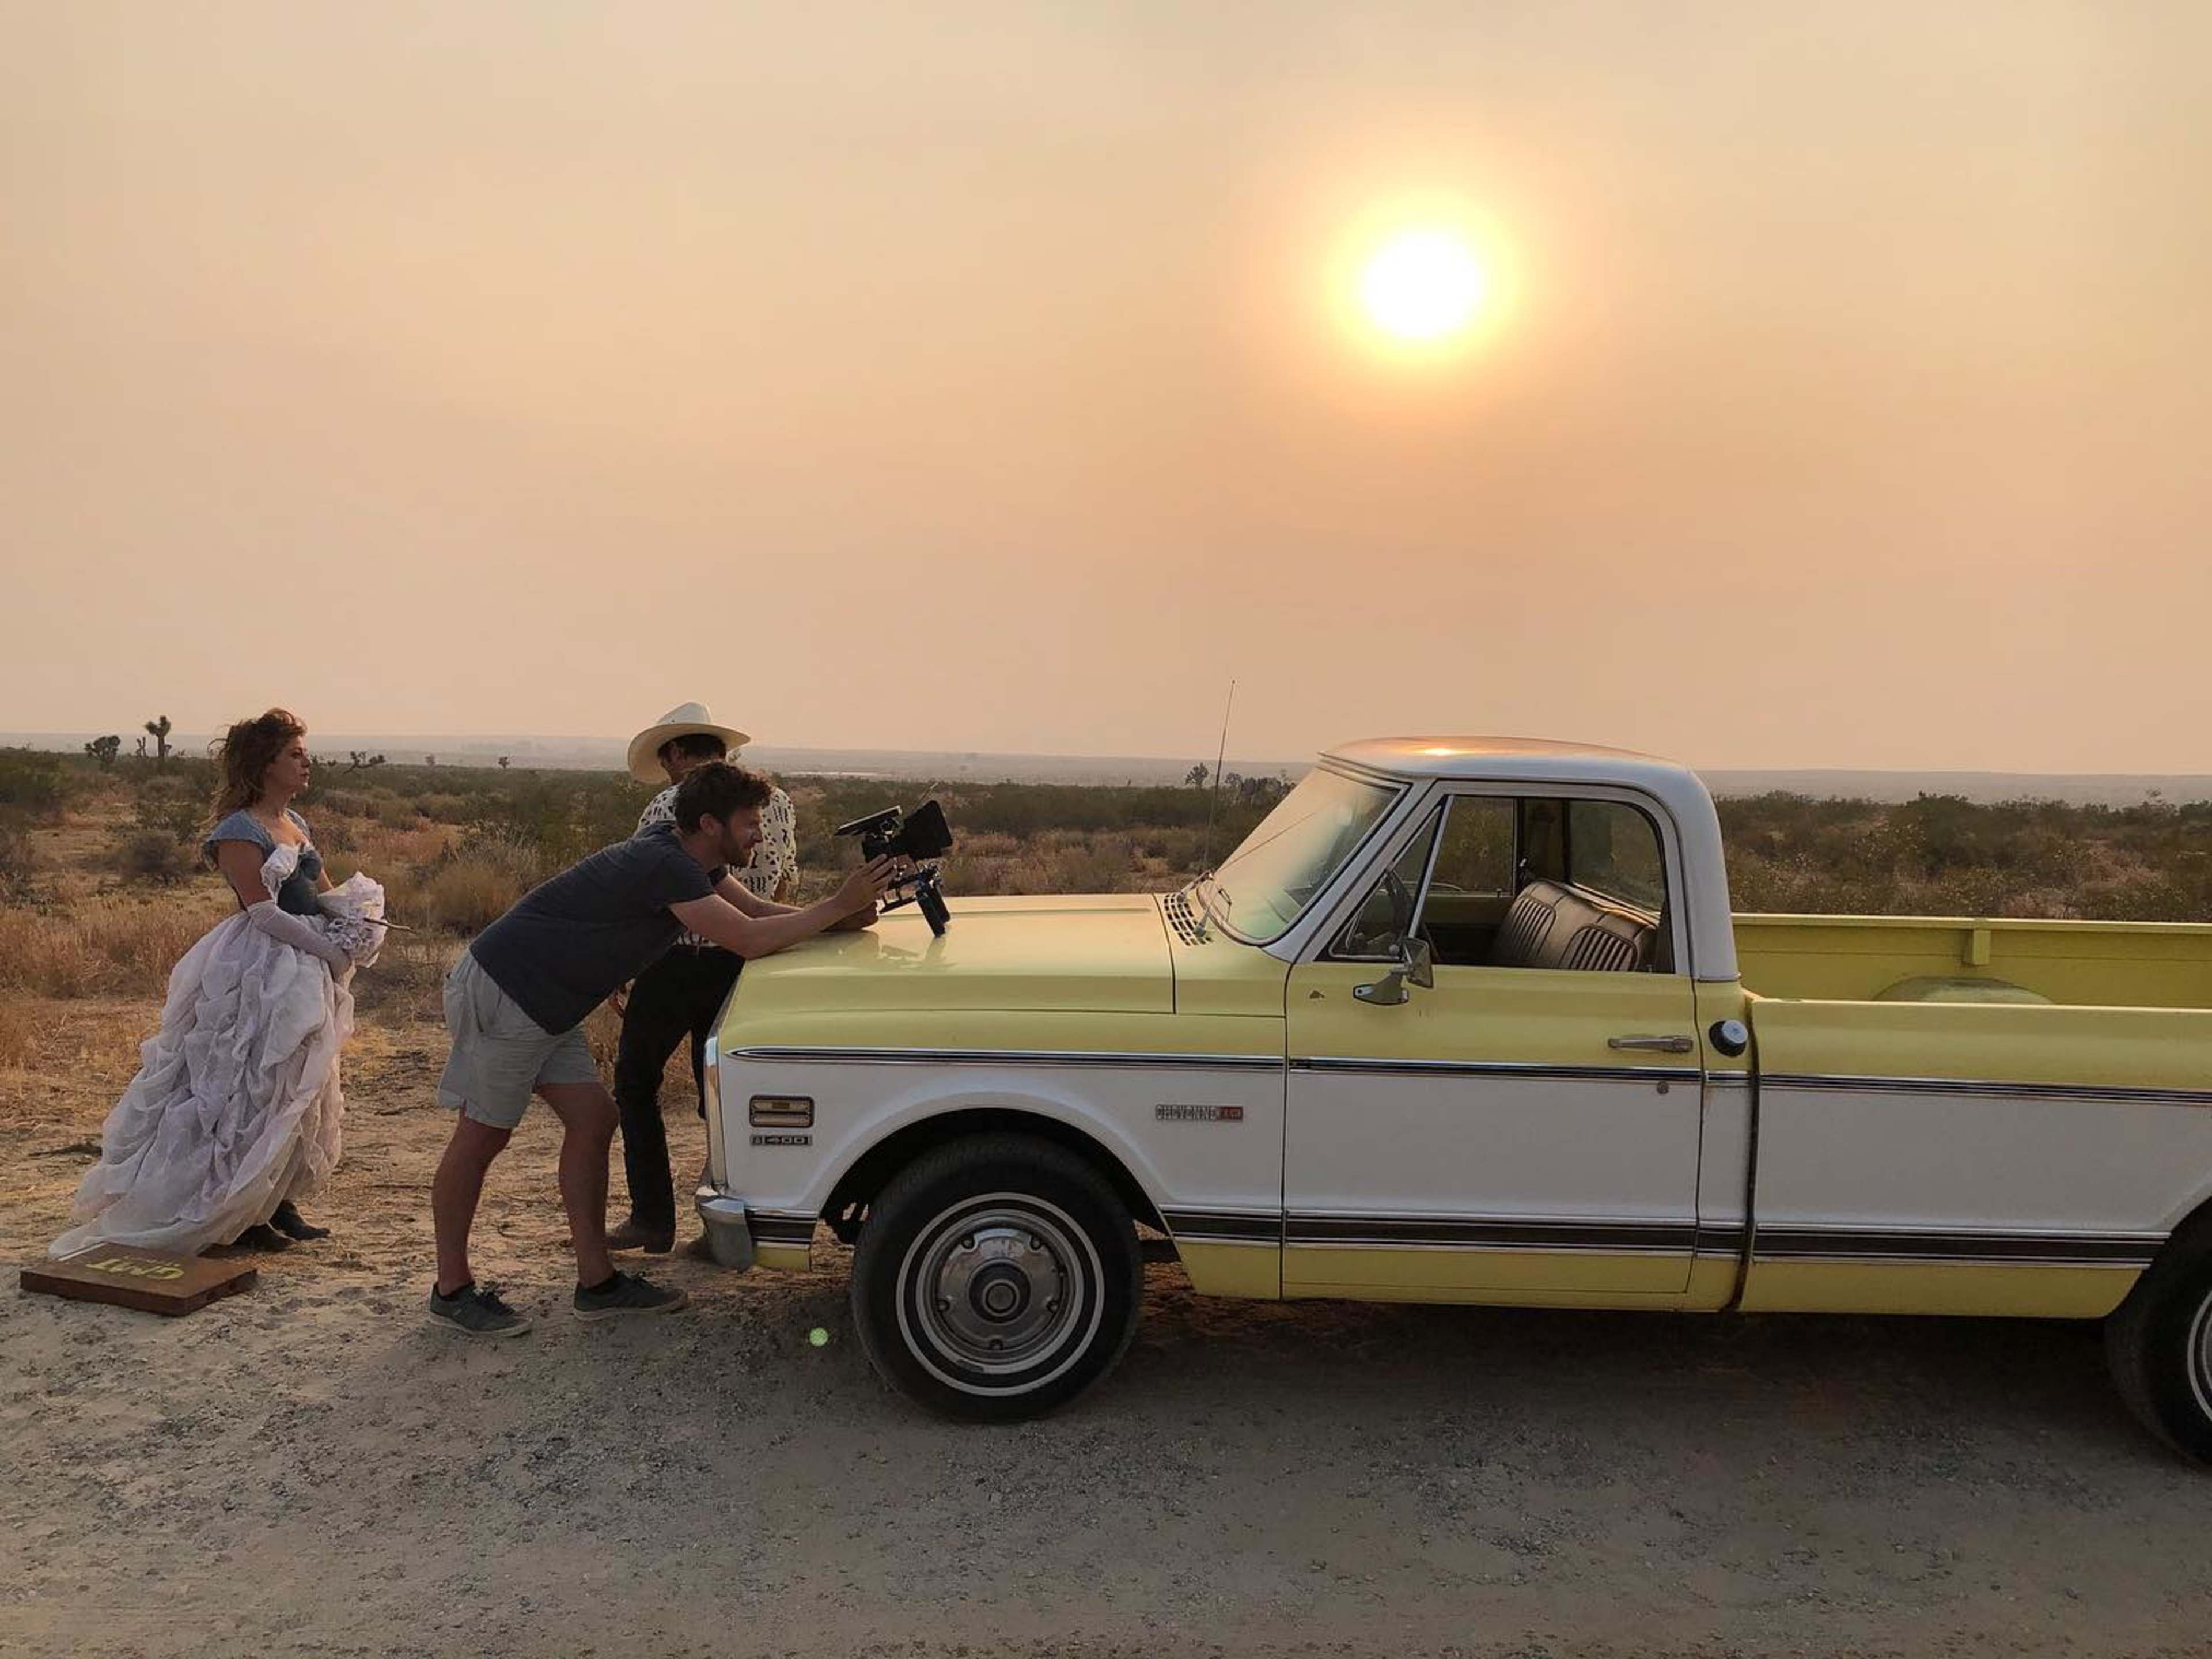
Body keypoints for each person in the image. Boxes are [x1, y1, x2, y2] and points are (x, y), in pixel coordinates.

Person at [426, 761, 895, 1336]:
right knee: (482, 1137)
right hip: (508, 992)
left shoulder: (691, 859)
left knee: (595, 1119)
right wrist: (836, 906)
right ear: (710, 824)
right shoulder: (665, 865)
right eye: (750, 823)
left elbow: (754, 913)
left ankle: (597, 1283)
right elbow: (748, 940)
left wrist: (840, 917)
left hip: (548, 1003)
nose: (760, 835)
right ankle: (451, 1291)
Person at [51, 709, 382, 1258]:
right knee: (247, 1085)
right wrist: (326, 948)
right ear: (266, 763)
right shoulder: (238, 830)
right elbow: (261, 910)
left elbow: (323, 893)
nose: (306, 763)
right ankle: (235, 1210)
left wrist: (360, 922)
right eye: (295, 755)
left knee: (295, 1083)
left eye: (305, 754)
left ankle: (275, 1199)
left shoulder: (297, 821)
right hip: (260, 967)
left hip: (305, 968)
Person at [609, 702, 799, 1253]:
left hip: (674, 961)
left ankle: (652, 1218)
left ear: (674, 752)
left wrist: (624, 964)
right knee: (723, 1097)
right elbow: (783, 883)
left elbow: (643, 891)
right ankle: (725, 1225)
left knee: (636, 1086)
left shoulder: (668, 806)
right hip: (746, 960)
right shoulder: (777, 803)